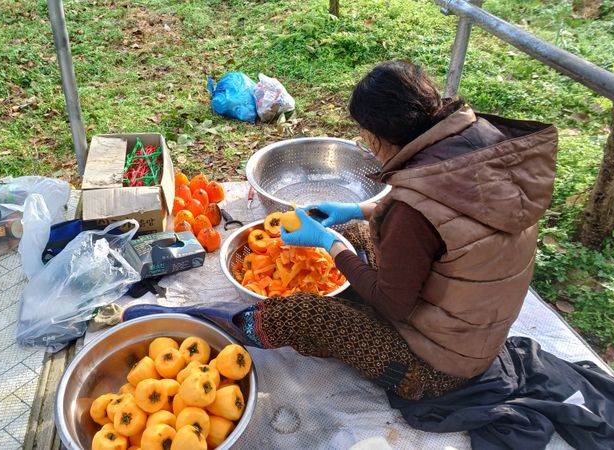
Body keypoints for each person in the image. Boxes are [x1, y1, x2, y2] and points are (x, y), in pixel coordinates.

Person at [125, 60, 557, 401]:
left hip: (438, 366)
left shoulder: (412, 213)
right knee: (358, 229)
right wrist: (359, 209)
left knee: (300, 313)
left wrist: (330, 244)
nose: (365, 143)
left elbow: (394, 302)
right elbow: (448, 215)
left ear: (381, 135)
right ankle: (343, 249)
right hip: (472, 327)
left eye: (365, 135)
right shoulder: (471, 144)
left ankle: (220, 326)